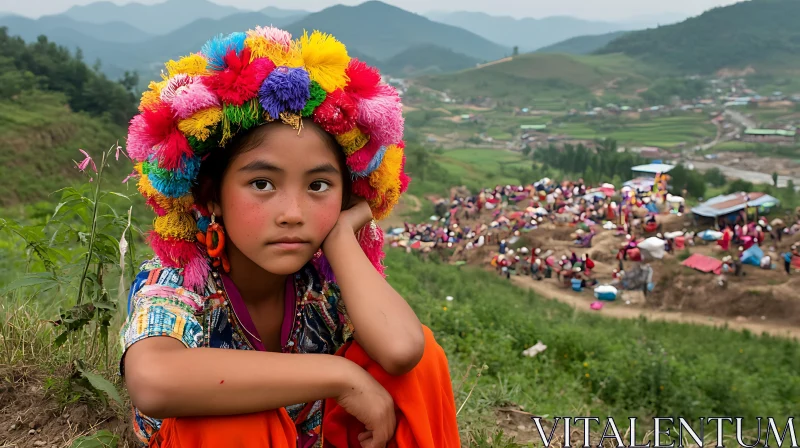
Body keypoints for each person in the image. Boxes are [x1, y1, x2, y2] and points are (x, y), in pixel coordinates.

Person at [119, 26, 460, 448]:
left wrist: (340, 239)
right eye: (262, 184)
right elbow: (153, 381)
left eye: (318, 187)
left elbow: (404, 350)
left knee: (419, 368)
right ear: (213, 197)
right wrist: (341, 377)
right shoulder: (178, 283)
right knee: (232, 417)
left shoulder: (320, 285)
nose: (294, 215)